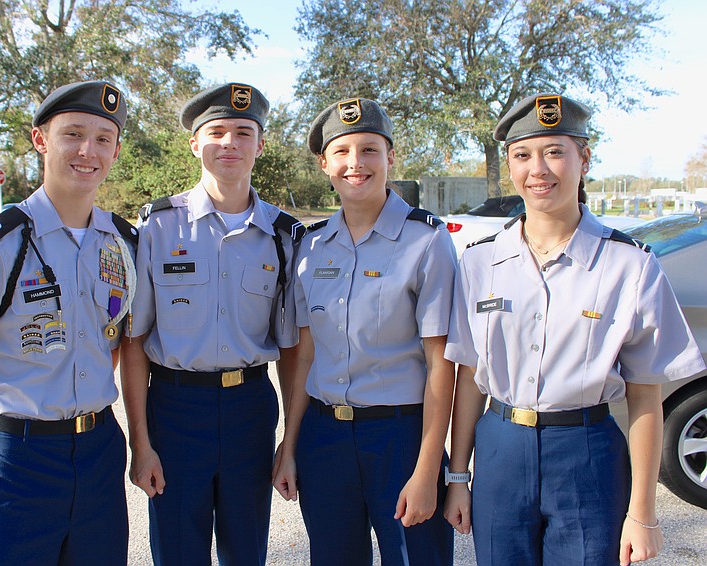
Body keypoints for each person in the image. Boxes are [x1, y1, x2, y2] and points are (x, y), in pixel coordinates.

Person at [443, 93, 707, 566]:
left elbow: (646, 395)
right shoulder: (481, 262)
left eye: (555, 152)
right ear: (510, 166)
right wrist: (459, 477)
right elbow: (468, 379)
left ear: (584, 159)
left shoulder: (630, 265)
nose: (538, 169)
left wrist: (642, 512)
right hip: (501, 448)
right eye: (523, 155)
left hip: (587, 454)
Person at [0, 80, 136, 565]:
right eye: (73, 134)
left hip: (99, 452)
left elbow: (113, 343)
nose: (88, 151)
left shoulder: (122, 244)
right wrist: (2, 441)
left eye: (103, 139)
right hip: (17, 458)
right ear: (40, 139)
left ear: (116, 150)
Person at [120, 82, 303, 565]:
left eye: (244, 132)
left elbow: (290, 348)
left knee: (246, 550)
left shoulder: (283, 236)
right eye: (216, 131)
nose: (230, 143)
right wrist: (141, 441)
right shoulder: (158, 227)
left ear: (260, 145)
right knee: (178, 549)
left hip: (250, 410)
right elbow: (134, 341)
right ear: (194, 143)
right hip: (176, 409)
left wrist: (291, 439)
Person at [272, 98, 457, 565]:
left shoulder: (426, 241)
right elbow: (305, 358)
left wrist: (428, 469)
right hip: (324, 436)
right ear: (324, 164)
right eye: (342, 152)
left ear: (391, 157)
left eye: (370, 150)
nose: (356, 164)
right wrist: (290, 446)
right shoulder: (311, 247)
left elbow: (442, 365)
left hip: (399, 438)